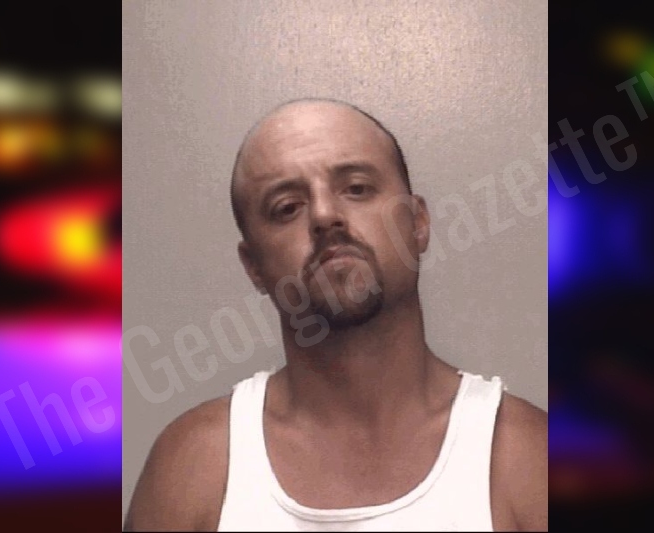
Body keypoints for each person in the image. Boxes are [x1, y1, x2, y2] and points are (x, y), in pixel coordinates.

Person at [124, 98, 547, 531]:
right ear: (253, 267)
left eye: (357, 188)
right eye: (286, 207)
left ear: (418, 223)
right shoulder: (193, 469)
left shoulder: (529, 461)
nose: (325, 216)